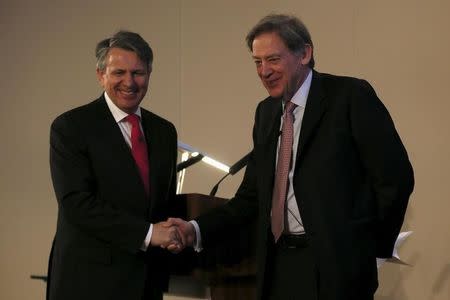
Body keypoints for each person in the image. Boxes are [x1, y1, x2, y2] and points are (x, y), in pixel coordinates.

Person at [167, 14, 414, 300]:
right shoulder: (266, 113)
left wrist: (369, 252)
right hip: (278, 267)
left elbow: (395, 179)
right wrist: (195, 229)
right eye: (257, 62)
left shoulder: (349, 97)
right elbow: (251, 199)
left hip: (337, 269)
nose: (264, 71)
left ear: (304, 53)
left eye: (273, 59)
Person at [47, 30, 181, 300]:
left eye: (138, 73)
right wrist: (149, 233)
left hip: (144, 283)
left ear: (149, 75)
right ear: (101, 76)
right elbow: (77, 204)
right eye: (119, 72)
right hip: (88, 283)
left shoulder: (164, 132)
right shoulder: (71, 127)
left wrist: (181, 232)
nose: (129, 82)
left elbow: (161, 203)